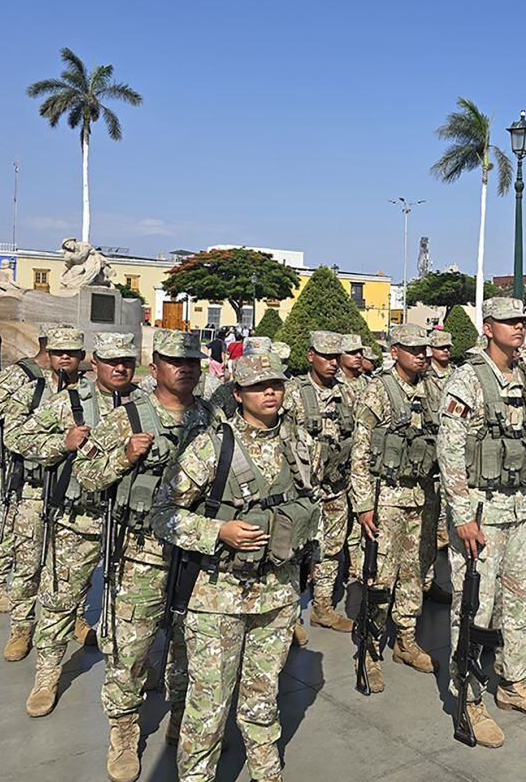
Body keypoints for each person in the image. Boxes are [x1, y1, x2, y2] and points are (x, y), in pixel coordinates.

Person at [154, 353, 317, 782]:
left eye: (276, 385)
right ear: (239, 393)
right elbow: (163, 513)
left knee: (262, 697)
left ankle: (266, 770)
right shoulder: (212, 444)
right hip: (217, 596)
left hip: (277, 594)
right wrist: (218, 531)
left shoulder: (297, 444)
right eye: (259, 386)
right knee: (209, 704)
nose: (270, 392)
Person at [76, 329, 210, 781]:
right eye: (175, 361)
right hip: (140, 555)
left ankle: (181, 717)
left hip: (194, 555)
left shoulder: (212, 418)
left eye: (192, 361)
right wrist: (124, 458)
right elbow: (87, 474)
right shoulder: (127, 417)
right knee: (128, 651)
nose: (186, 368)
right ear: (156, 368)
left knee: (190, 645)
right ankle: (123, 731)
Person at [437, 297, 526, 748]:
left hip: (521, 511)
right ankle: (468, 698)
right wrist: (462, 515)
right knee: (474, 608)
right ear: (488, 327)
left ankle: (513, 683)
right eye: (510, 322)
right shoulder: (466, 379)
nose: (520, 328)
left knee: (523, 603)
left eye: (523, 322)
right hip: (482, 515)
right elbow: (448, 451)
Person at [18, 332, 143, 719]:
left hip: (131, 522)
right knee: (59, 600)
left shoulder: (146, 403)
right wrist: (63, 444)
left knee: (132, 606)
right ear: (95, 363)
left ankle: (134, 671)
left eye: (127, 360)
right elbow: (20, 438)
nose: (120, 367)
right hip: (79, 520)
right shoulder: (70, 402)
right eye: (111, 361)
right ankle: (47, 674)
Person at [349, 324, 438, 691]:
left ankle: (406, 638)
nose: (421, 355)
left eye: (424, 350)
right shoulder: (378, 391)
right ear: (395, 351)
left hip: (422, 496)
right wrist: (364, 504)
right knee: (381, 575)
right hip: (386, 498)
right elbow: (361, 450)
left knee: (416, 571)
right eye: (413, 349)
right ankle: (369, 650)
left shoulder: (431, 389)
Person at [0, 326, 86, 661]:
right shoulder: (31, 392)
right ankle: (21, 628)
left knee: (71, 564)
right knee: (27, 562)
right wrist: (59, 445)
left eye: (72, 352)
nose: (65, 357)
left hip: (76, 493)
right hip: (35, 491)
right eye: (59, 352)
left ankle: (74, 618)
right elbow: (15, 438)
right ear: (48, 356)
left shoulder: (93, 394)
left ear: (81, 356)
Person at [284, 331, 356, 634]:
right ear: (310, 356)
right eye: (325, 356)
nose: (331, 363)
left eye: (335, 357)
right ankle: (288, 616)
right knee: (292, 550)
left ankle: (322, 608)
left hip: (335, 486)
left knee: (331, 549)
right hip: (302, 491)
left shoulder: (347, 392)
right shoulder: (294, 392)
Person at [0, 324, 54, 613]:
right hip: (18, 466)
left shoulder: (65, 378)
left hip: (50, 466)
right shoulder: (16, 375)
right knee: (10, 526)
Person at [422, 329, 455, 601]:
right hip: (428, 457)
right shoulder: (424, 378)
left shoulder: (456, 375)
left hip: (451, 457)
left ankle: (431, 581)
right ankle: (425, 580)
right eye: (441, 347)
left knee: (445, 519)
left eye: (448, 347)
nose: (446, 351)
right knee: (426, 525)